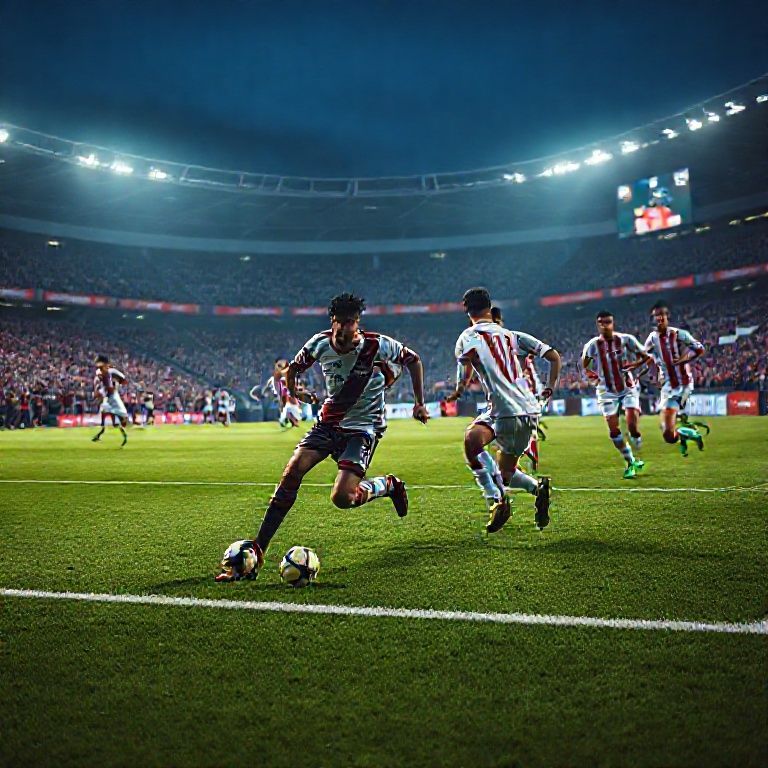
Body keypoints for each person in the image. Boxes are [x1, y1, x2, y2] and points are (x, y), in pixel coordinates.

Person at [216, 292, 428, 582]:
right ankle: (258, 549)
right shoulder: (319, 343)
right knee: (292, 471)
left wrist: (419, 403)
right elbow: (293, 370)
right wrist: (297, 392)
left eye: (350, 322)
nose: (344, 328)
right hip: (328, 424)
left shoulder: (377, 345)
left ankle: (387, 485)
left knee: (343, 498)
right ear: (332, 321)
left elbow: (414, 360)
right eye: (339, 321)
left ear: (358, 322)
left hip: (363, 429)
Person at [448, 288, 561, 532]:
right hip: (523, 410)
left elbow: (464, 372)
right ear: (489, 308)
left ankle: (498, 500)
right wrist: (549, 388)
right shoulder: (511, 335)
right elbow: (554, 356)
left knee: (499, 471)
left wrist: (458, 390)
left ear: (466, 310)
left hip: (507, 412)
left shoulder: (467, 336)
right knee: (476, 443)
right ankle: (536, 489)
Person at [581, 310, 653, 479]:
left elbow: (645, 357)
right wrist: (592, 377)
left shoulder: (625, 339)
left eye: (608, 322)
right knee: (614, 430)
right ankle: (630, 461)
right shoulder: (592, 345)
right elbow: (585, 364)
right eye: (601, 322)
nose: (604, 325)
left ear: (613, 323)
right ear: (597, 325)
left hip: (627, 387)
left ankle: (637, 448)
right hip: (606, 391)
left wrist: (634, 366)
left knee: (632, 425)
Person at [644, 301, 706, 457]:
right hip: (667, 386)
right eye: (655, 316)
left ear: (667, 316)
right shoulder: (652, 338)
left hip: (681, 385)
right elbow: (646, 356)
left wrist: (684, 359)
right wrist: (653, 373)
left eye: (661, 315)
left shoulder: (680, 334)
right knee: (668, 436)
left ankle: (687, 430)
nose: (658, 318)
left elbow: (700, 349)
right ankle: (688, 434)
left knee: (668, 426)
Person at [92, 355, 128, 446]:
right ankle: (100, 433)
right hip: (107, 397)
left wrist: (116, 384)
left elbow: (123, 381)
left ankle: (124, 434)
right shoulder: (99, 373)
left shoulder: (112, 372)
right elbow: (101, 385)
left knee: (118, 420)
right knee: (104, 412)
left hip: (113, 397)